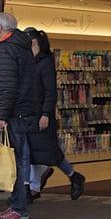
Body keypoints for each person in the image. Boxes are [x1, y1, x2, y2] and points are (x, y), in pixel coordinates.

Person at [0, 12, 40, 219]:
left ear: (0, 28)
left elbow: (6, 87)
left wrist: (0, 115)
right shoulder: (22, 48)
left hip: (14, 113)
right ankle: (16, 204)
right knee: (19, 159)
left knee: (15, 161)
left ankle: (18, 209)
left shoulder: (5, 51)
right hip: (24, 110)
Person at [23, 28, 85, 201]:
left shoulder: (45, 63)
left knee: (50, 152)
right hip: (30, 115)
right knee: (33, 153)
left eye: (32, 43)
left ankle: (73, 175)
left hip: (42, 117)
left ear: (38, 44)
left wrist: (45, 113)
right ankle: (31, 188)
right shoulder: (29, 63)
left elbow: (50, 92)